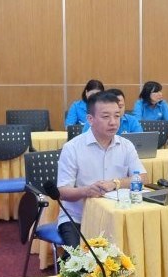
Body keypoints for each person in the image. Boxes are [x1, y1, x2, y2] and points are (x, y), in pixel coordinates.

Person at [57, 91, 148, 247]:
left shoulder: (126, 145)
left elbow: (142, 177)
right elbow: (63, 192)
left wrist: (115, 183)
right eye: (106, 117)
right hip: (79, 218)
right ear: (90, 119)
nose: (113, 122)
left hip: (117, 217)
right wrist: (86, 191)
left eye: (117, 116)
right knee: (81, 264)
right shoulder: (72, 148)